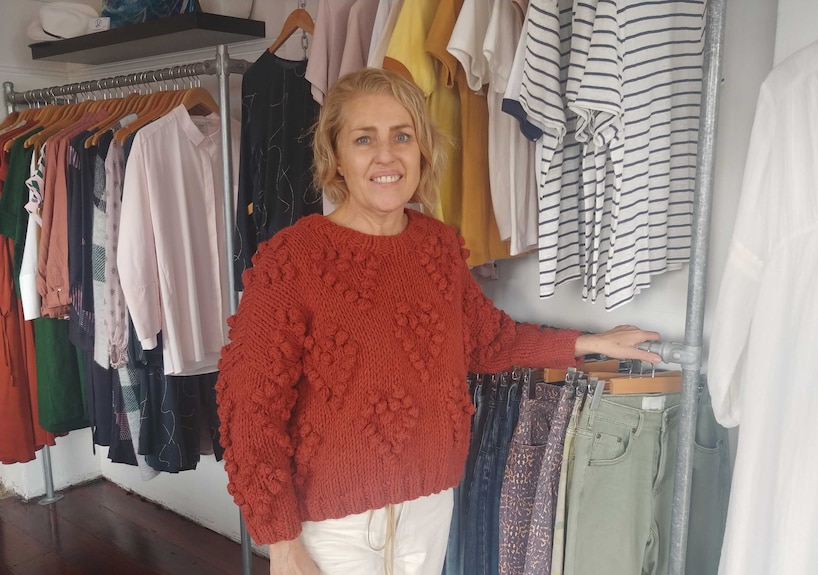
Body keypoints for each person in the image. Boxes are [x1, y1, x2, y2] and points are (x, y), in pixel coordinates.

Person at [215, 67, 662, 575]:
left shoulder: (438, 247)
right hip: (332, 528)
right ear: (336, 156)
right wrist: (281, 542)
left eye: (402, 136)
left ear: (422, 149)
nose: (386, 155)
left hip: (429, 509)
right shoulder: (292, 260)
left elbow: (487, 341)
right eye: (365, 139)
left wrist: (589, 342)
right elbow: (249, 408)